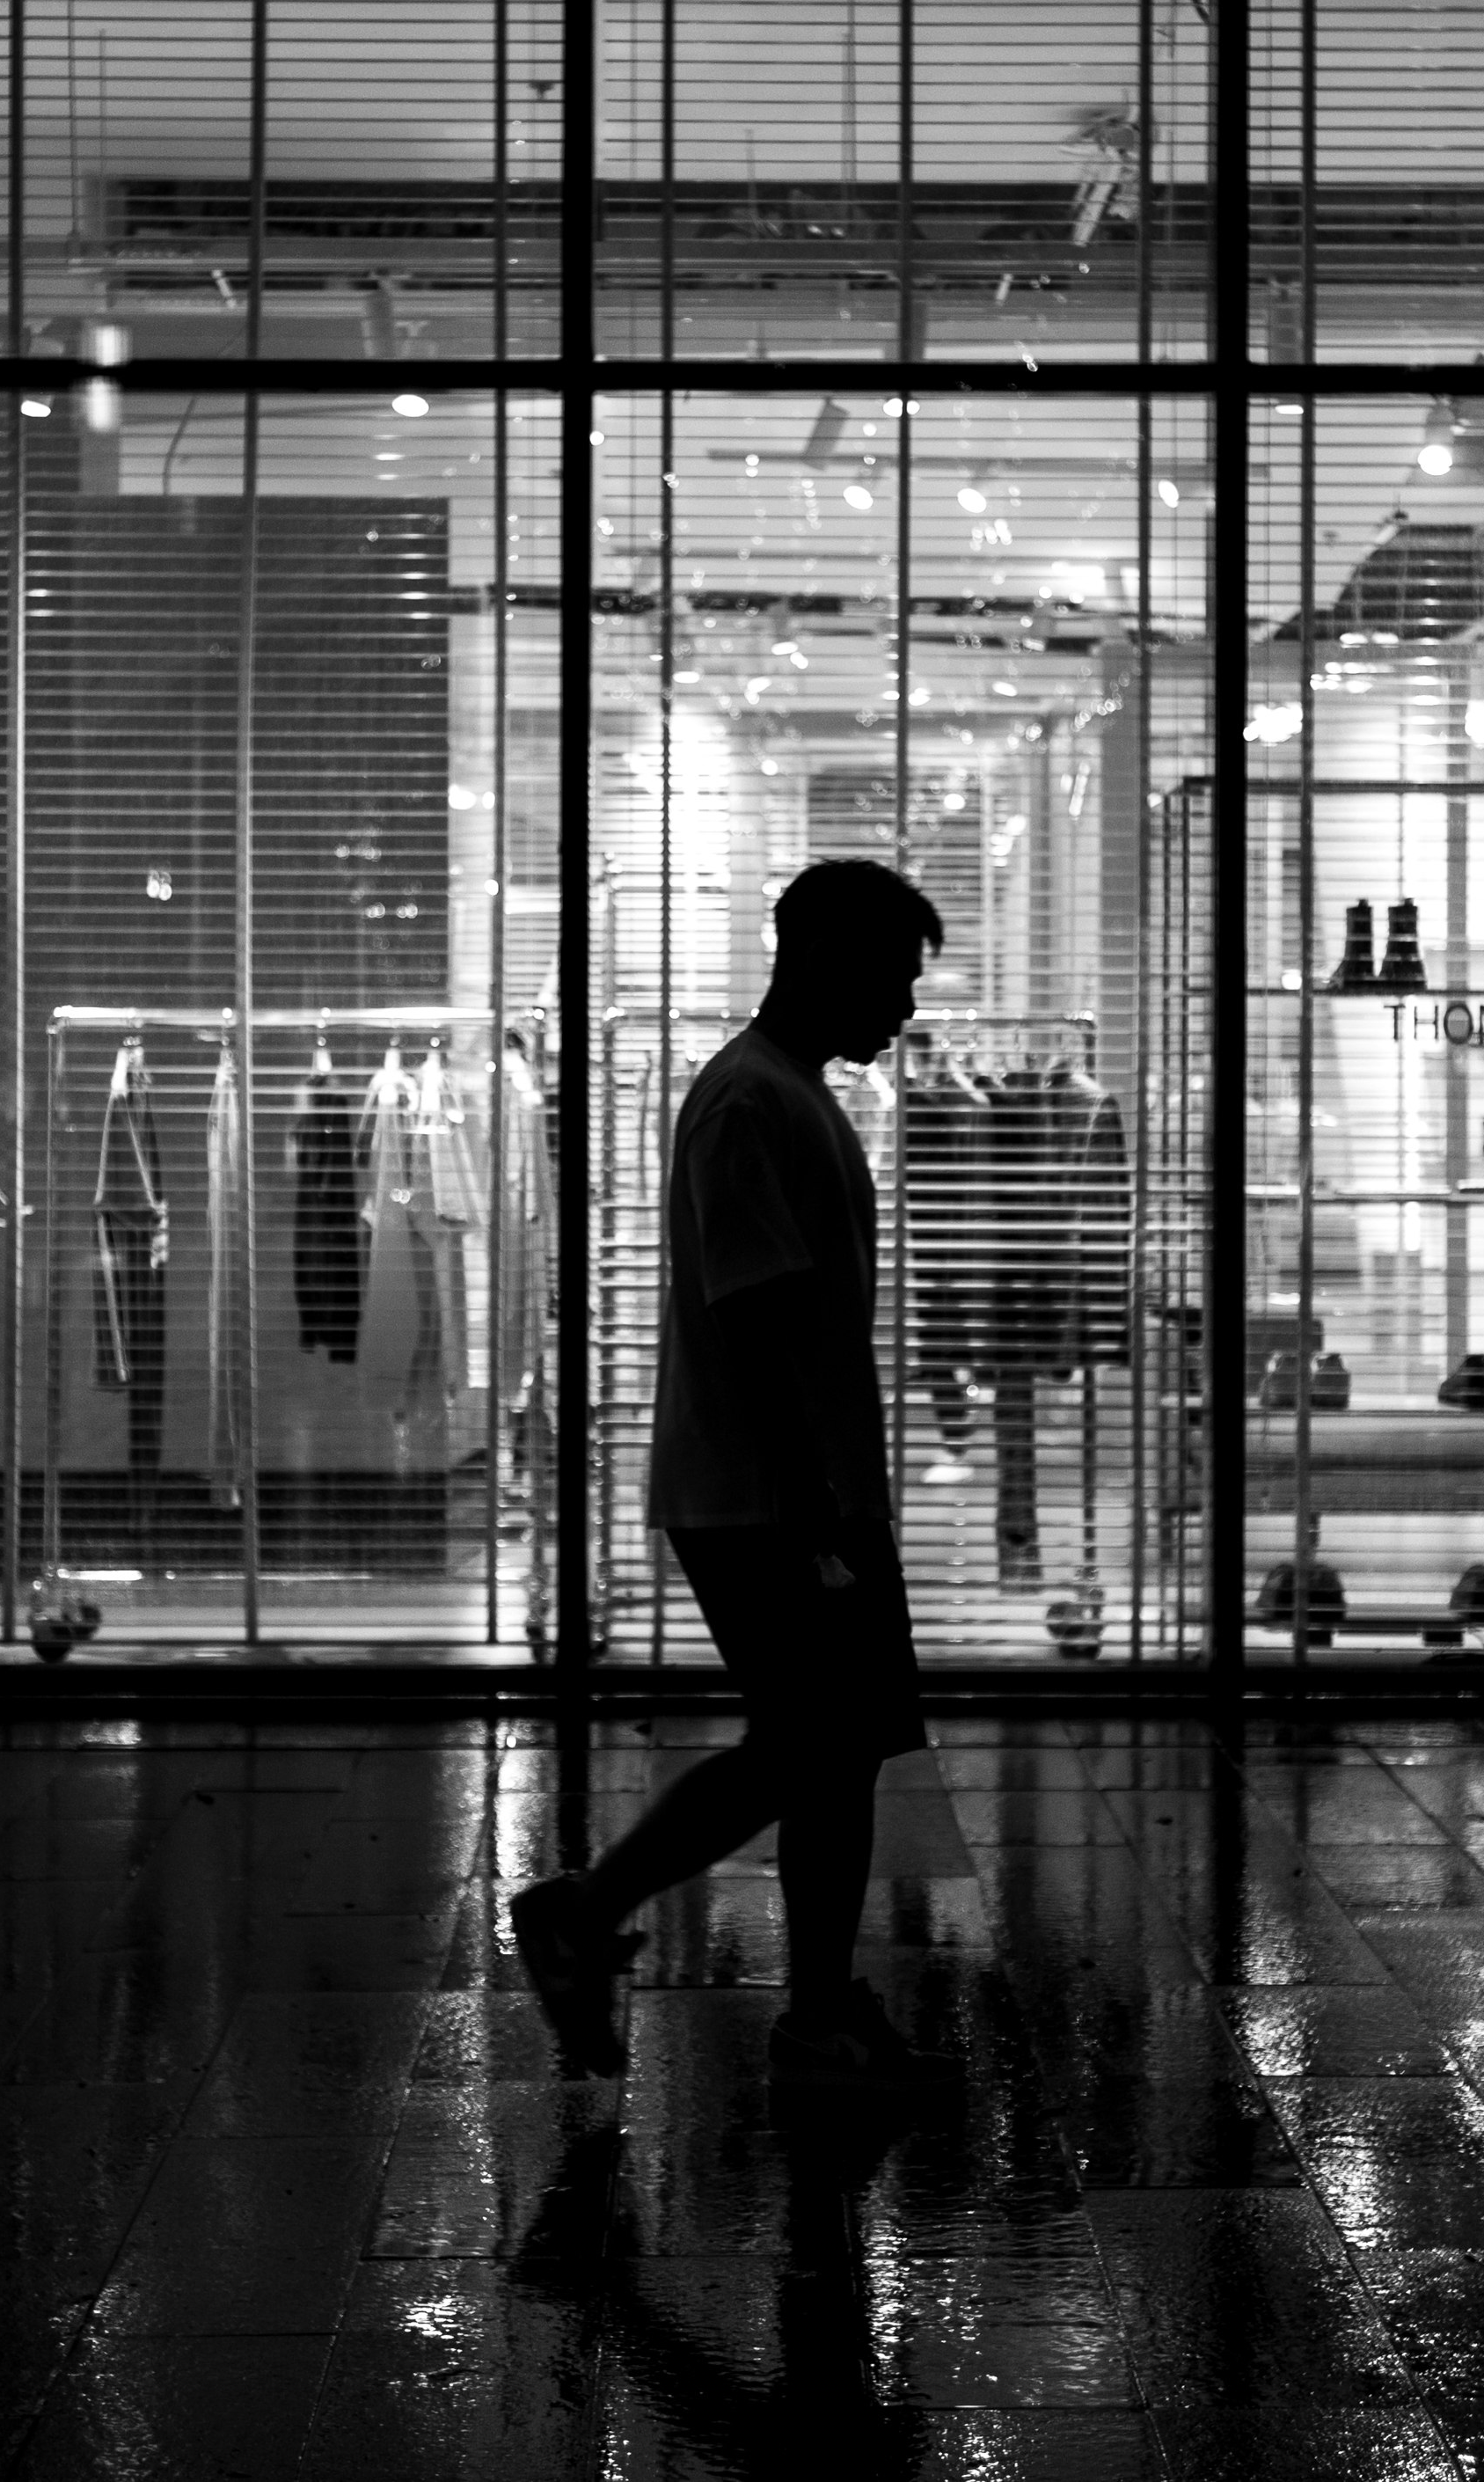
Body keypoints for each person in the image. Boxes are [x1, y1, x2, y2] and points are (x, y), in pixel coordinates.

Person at [511, 859, 939, 2087]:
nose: (904, 1010)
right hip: (772, 1498)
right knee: (815, 1738)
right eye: (895, 980)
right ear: (826, 962)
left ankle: (810, 1997)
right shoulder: (751, 1102)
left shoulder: (784, 1092)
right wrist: (817, 1508)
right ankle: (595, 1912)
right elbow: (755, 1314)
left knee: (831, 1743)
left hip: (790, 1490)